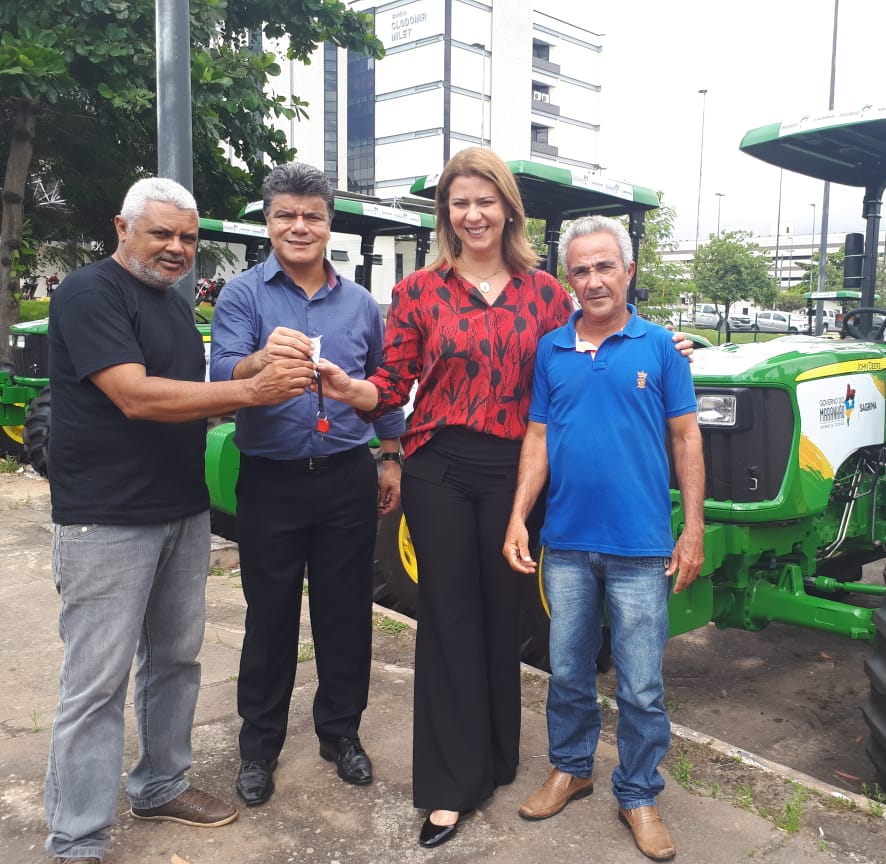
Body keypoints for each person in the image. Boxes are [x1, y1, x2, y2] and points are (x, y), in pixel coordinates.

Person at [314, 147, 693, 849]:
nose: (474, 213)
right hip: (441, 469)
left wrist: (665, 347)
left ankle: (493, 758)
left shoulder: (544, 291)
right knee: (450, 621)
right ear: (446, 214)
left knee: (504, 620)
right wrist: (349, 390)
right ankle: (447, 786)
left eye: (485, 200)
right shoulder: (422, 291)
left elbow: (599, 334)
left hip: (518, 471)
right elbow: (391, 386)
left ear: (507, 208)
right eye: (460, 202)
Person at [44, 177, 315, 863]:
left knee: (174, 661)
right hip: (106, 520)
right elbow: (134, 396)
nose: (176, 248)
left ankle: (161, 783)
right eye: (162, 233)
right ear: (122, 227)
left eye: (188, 238)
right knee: (96, 682)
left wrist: (255, 362)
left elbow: (194, 393)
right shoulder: (89, 292)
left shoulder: (168, 305)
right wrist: (252, 389)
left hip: (180, 512)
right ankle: (76, 839)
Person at [502, 215, 705, 862]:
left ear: (628, 271)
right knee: (567, 670)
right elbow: (537, 439)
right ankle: (572, 767)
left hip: (641, 548)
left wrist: (693, 527)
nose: (593, 280)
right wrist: (517, 516)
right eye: (581, 270)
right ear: (569, 280)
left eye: (604, 266)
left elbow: (686, 438)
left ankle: (639, 793)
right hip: (565, 544)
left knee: (642, 684)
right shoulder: (551, 352)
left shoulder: (661, 350)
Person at [209, 162, 405, 809]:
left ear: (329, 224)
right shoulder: (243, 296)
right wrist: (262, 358)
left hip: (347, 476)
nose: (299, 226)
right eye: (286, 214)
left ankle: (340, 734)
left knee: (345, 613)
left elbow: (384, 383)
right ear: (268, 222)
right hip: (270, 479)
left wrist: (392, 453)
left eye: (311, 215)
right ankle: (259, 747)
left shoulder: (359, 305)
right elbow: (224, 373)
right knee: (270, 617)